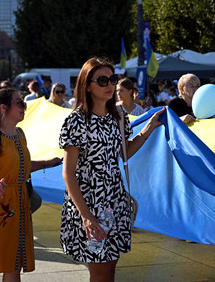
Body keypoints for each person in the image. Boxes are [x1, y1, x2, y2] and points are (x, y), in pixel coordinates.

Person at [59, 57, 164, 281]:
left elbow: (123, 151)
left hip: (114, 201)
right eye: (102, 80)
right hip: (90, 204)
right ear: (87, 85)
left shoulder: (118, 116)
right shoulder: (76, 122)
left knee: (111, 267)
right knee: (101, 270)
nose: (110, 85)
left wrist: (148, 128)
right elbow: (68, 173)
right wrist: (87, 217)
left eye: (112, 79)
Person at [0, 88, 60, 282]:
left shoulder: (20, 134)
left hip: (20, 206)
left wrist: (48, 162)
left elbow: (22, 168)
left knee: (14, 266)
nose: (24, 106)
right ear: (4, 108)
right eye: (19, 103)